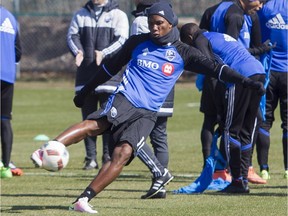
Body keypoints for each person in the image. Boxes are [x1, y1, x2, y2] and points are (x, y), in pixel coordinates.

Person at [31, 2, 265, 213]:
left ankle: (83, 200)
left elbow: (218, 69)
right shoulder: (138, 42)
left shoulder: (184, 52)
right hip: (126, 99)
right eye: (151, 23)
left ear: (171, 23)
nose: (154, 28)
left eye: (159, 23)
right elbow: (108, 68)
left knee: (122, 154)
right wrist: (85, 91)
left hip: (148, 113)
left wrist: (246, 82)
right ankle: (48, 148)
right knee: (96, 125)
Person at [180, 23, 266, 193]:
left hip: (239, 76)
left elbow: (210, 69)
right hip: (258, 71)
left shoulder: (200, 39)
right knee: (246, 132)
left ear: (190, 37)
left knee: (230, 130)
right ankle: (243, 179)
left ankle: (237, 181)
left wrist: (220, 107)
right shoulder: (217, 35)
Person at [198, 0, 271, 184]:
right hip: (231, 76)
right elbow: (229, 50)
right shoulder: (235, 15)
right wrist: (263, 48)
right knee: (231, 124)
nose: (261, 6)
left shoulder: (243, 15)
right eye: (259, 1)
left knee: (221, 121)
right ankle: (229, 172)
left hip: (230, 74)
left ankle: (229, 170)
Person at [65, 0, 129, 169]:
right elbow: (72, 36)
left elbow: (122, 40)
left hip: (110, 78)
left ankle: (107, 157)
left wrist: (104, 53)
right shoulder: (80, 14)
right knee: (87, 119)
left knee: (108, 120)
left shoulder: (119, 15)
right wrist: (78, 51)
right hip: (85, 77)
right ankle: (90, 158)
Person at [130, 0, 175, 199]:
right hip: (166, 88)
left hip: (145, 91)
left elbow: (133, 53)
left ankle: (160, 175)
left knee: (131, 134)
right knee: (160, 138)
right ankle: (160, 186)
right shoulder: (169, 20)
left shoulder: (142, 21)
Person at [256, 0, 288, 180]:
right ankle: (287, 169)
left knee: (265, 120)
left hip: (268, 70)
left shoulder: (264, 7)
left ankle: (264, 168)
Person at [0, 5, 23, 178]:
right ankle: (6, 164)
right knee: (4, 119)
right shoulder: (10, 17)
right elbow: (18, 52)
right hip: (8, 76)